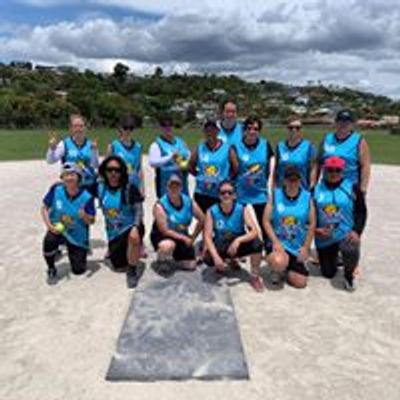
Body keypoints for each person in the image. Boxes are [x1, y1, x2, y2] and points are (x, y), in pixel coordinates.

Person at [314, 156, 367, 291]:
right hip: (324, 237)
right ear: (324, 170)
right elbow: (307, 215)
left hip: (345, 234)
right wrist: (315, 230)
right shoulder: (316, 189)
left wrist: (356, 231)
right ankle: (337, 258)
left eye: (337, 170)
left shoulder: (352, 188)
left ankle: (349, 275)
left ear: (342, 171)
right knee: (328, 273)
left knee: (350, 248)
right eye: (330, 170)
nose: (333, 173)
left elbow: (361, 212)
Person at [204, 180, 264, 292]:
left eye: (229, 192)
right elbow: (207, 236)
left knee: (258, 244)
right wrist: (216, 257)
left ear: (234, 195)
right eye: (223, 192)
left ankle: (254, 276)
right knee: (208, 258)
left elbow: (254, 231)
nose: (226, 195)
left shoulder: (242, 209)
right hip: (221, 242)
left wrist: (238, 240)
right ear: (218, 195)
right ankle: (227, 261)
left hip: (237, 243)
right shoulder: (211, 211)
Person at [263, 166, 316, 289]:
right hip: (279, 244)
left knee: (300, 283)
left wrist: (306, 247)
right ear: (284, 180)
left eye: (295, 180)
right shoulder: (275, 195)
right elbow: (266, 221)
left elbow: (312, 223)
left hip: (296, 246)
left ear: (299, 180)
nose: (292, 183)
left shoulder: (307, 197)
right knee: (278, 262)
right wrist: (275, 242)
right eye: (289, 180)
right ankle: (277, 269)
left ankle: (288, 267)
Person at [41, 162, 96, 281]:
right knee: (49, 240)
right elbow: (44, 208)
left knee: (78, 270)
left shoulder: (87, 196)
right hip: (59, 229)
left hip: (77, 234)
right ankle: (51, 267)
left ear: (79, 177)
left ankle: (74, 250)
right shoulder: (56, 190)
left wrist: (85, 216)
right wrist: (49, 226)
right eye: (66, 175)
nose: (69, 177)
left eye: (72, 174)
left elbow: (92, 221)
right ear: (62, 178)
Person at [97, 155, 144, 288]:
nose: (113, 173)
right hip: (114, 233)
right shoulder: (101, 187)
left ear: (122, 172)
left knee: (134, 239)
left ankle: (132, 270)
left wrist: (136, 226)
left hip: (129, 227)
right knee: (118, 267)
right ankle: (129, 252)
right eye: (109, 169)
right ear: (104, 171)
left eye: (117, 170)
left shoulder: (129, 188)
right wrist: (61, 183)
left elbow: (139, 210)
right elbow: (78, 188)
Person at [230, 115, 274, 244]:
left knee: (264, 223)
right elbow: (233, 170)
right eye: (249, 128)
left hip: (260, 193)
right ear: (244, 130)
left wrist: (269, 183)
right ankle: (240, 248)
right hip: (242, 194)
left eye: (255, 129)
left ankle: (268, 247)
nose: (252, 131)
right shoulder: (236, 147)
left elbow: (271, 163)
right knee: (240, 225)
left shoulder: (265, 144)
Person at [150, 174, 205, 271]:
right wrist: (185, 238)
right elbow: (165, 231)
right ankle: (161, 259)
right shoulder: (160, 205)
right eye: (171, 186)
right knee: (167, 246)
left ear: (181, 187)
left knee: (191, 266)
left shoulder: (189, 201)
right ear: (167, 187)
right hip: (163, 235)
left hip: (181, 234)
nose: (174, 188)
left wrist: (193, 237)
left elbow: (202, 219)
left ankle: (176, 256)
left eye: (177, 185)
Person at [189, 117, 237, 213]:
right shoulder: (199, 147)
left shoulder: (227, 148)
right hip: (202, 192)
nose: (210, 132)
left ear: (218, 131)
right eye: (207, 129)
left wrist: (226, 179)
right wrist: (200, 176)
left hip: (220, 193)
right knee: (203, 221)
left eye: (213, 129)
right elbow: (190, 165)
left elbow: (235, 167)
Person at [318, 109, 371, 194]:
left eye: (347, 121)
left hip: (349, 188)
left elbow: (365, 166)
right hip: (326, 186)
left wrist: (363, 188)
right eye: (340, 121)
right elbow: (318, 162)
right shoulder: (327, 139)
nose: (343, 124)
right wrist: (313, 184)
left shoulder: (358, 140)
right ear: (336, 122)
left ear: (352, 124)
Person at [46, 114, 99, 194]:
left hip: (89, 184)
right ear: (71, 128)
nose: (78, 129)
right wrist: (52, 149)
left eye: (81, 126)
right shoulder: (65, 144)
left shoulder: (91, 144)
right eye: (75, 126)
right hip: (71, 185)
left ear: (85, 128)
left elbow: (95, 165)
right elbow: (50, 161)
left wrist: (94, 151)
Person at [149, 116, 190, 198]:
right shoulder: (156, 144)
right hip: (165, 182)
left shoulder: (180, 142)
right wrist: (170, 157)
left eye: (169, 125)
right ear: (160, 128)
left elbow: (187, 155)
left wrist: (185, 163)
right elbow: (153, 162)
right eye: (164, 126)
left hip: (181, 180)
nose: (167, 128)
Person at [275, 116, 317, 190]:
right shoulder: (280, 146)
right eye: (291, 127)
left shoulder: (308, 146)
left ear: (301, 129)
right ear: (287, 128)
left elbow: (313, 168)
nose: (294, 130)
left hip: (302, 190)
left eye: (297, 128)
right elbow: (276, 169)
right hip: (282, 191)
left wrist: (312, 185)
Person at [107, 115, 144, 196]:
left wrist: (142, 187)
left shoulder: (138, 147)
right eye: (125, 128)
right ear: (120, 128)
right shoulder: (113, 146)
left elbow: (139, 169)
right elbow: (107, 168)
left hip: (134, 185)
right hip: (118, 186)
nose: (128, 131)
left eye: (131, 128)